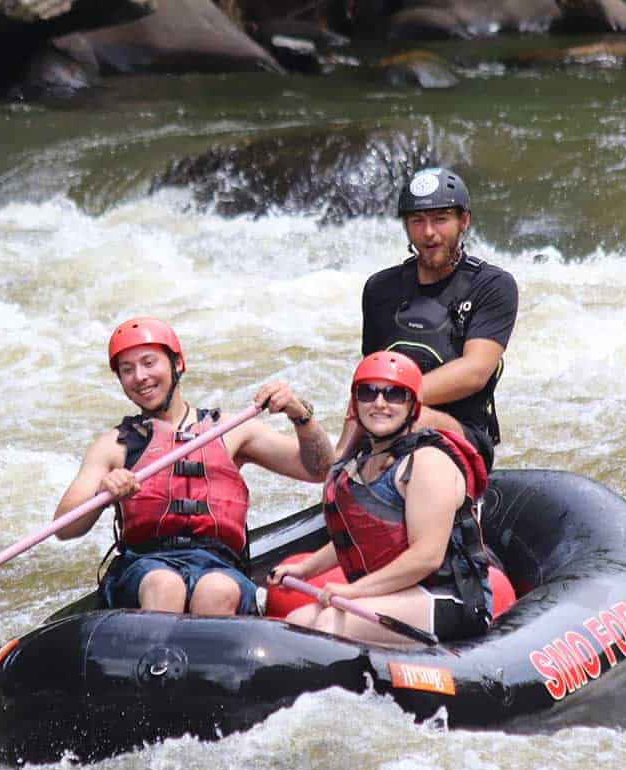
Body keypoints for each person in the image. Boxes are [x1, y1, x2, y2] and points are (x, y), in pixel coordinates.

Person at [54, 316, 334, 616]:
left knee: (217, 590)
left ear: (177, 364)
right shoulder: (114, 445)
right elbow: (64, 528)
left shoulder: (229, 429)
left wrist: (300, 416)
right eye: (127, 370)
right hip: (145, 565)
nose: (140, 377)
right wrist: (102, 493)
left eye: (149, 363)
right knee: (165, 584)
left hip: (219, 564)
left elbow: (319, 470)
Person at [267, 351, 493, 646]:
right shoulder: (363, 462)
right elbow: (366, 535)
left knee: (328, 624)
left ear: (413, 405)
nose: (380, 403)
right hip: (398, 594)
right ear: (355, 403)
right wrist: (306, 568)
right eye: (368, 392)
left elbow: (427, 557)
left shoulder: (427, 462)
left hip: (450, 597)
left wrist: (355, 591)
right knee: (296, 624)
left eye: (395, 394)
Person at [344, 167, 518, 470]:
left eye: (441, 219)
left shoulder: (492, 286)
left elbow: (474, 372)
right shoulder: (379, 289)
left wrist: (399, 400)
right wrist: (339, 457)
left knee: (411, 419)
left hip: (462, 433)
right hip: (383, 426)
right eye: (417, 221)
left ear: (464, 221)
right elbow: (369, 381)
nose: (428, 232)